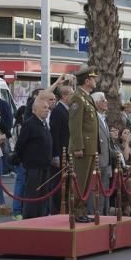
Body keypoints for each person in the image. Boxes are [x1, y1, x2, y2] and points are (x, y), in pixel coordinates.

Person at [68, 65, 99, 223]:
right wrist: (77, 146)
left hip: (91, 147)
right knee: (80, 180)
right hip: (83, 147)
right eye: (93, 78)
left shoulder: (87, 97)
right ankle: (76, 211)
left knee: (86, 181)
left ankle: (81, 210)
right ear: (87, 81)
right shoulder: (77, 98)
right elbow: (75, 125)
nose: (95, 81)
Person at [15, 98, 53, 219]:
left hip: (44, 166)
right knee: (32, 195)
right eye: (44, 108)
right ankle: (30, 218)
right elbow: (20, 145)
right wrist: (23, 160)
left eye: (48, 108)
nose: (47, 110)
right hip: (33, 167)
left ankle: (41, 217)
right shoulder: (29, 124)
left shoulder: (44, 124)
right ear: (35, 110)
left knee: (43, 195)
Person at [49, 84, 73, 214]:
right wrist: (56, 155)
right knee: (58, 184)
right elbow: (55, 134)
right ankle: (57, 210)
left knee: (67, 183)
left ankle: (64, 208)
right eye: (71, 94)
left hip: (68, 153)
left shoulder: (67, 110)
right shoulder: (58, 111)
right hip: (61, 153)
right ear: (64, 95)